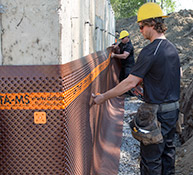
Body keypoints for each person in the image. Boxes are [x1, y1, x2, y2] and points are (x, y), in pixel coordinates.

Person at [92, 2, 180, 175]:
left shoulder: (151, 51)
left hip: (157, 115)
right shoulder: (172, 49)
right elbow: (178, 74)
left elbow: (129, 82)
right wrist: (151, 83)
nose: (140, 30)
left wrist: (103, 97)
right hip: (173, 112)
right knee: (167, 155)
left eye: (141, 26)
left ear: (152, 24)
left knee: (151, 160)